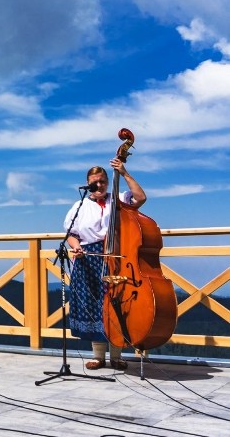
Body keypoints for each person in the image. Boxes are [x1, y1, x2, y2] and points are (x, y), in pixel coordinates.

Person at [63, 158, 146, 371]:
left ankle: (116, 356)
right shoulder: (79, 205)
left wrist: (125, 173)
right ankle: (98, 357)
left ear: (108, 182)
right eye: (94, 182)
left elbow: (140, 198)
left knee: (116, 303)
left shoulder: (118, 199)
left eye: (102, 181)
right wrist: (76, 247)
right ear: (88, 184)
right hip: (88, 258)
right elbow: (72, 234)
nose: (99, 186)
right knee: (94, 306)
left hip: (115, 257)